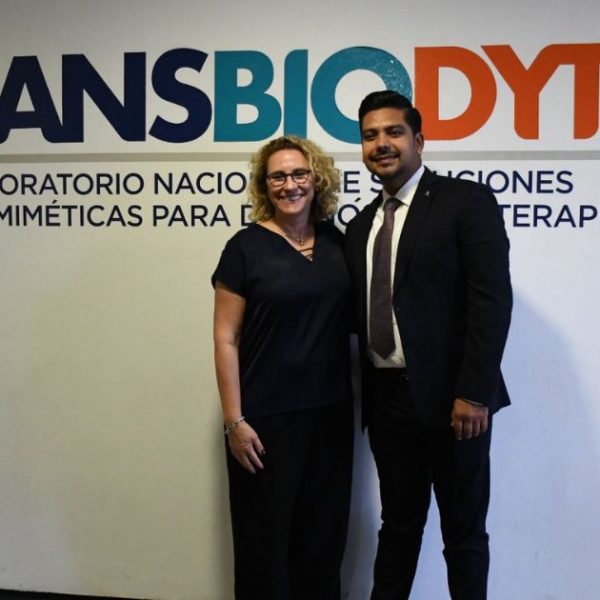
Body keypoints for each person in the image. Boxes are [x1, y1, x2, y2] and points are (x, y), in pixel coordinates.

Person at [344, 91, 512, 600]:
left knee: (463, 535)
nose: (382, 143)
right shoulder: (360, 225)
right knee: (397, 528)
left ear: (418, 140)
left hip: (456, 404)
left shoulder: (465, 202)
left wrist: (473, 393)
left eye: (393, 132)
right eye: (370, 135)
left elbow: (491, 301)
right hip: (388, 403)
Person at [212, 135, 354, 600]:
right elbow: (225, 338)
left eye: (299, 173)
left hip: (330, 415)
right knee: (264, 545)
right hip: (265, 422)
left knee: (323, 541)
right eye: (277, 176)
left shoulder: (337, 243)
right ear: (263, 185)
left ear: (317, 179)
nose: (289, 185)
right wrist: (235, 422)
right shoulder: (244, 248)